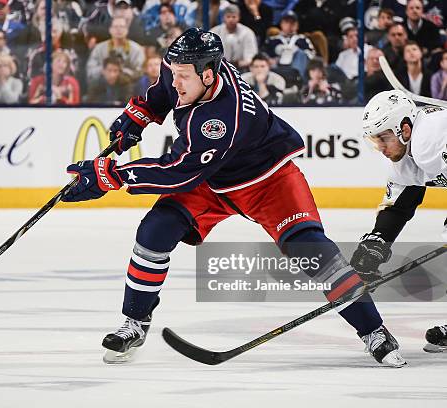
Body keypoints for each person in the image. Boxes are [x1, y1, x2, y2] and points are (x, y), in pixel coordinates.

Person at [62, 28, 406, 367]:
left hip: (268, 182)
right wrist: (139, 116)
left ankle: (374, 331)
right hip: (213, 180)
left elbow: (178, 170)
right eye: (174, 73)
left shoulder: (222, 117)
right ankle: (134, 323)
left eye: (183, 76)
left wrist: (111, 175)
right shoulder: (193, 70)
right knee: (154, 232)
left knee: (314, 252)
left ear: (208, 75)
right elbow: (165, 92)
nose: (176, 81)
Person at [355, 89, 446, 353]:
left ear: (405, 129)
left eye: (384, 138)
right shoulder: (404, 156)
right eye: (375, 140)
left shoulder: (430, 140)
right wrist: (378, 241)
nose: (381, 148)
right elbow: (399, 206)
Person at [210, 4, 257, 71]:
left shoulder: (247, 32)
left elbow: (251, 58)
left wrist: (236, 64)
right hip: (219, 68)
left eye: (234, 17)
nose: (231, 19)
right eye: (228, 17)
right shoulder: (214, 32)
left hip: (242, 69)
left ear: (239, 17)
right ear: (223, 18)